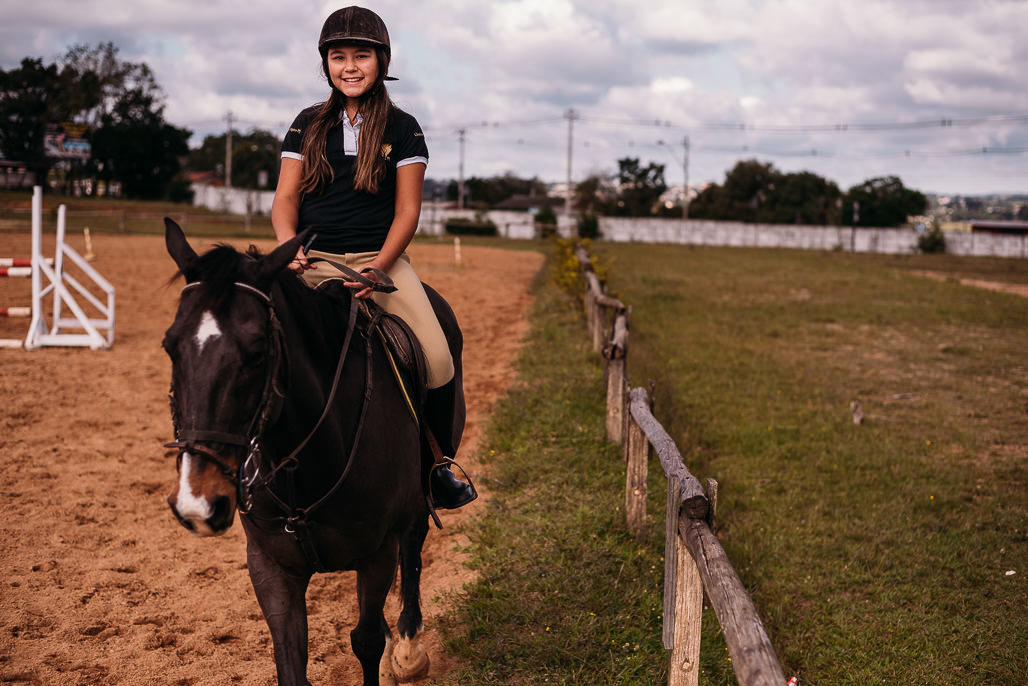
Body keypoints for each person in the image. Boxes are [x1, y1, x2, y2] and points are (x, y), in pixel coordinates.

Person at [271, 5, 475, 511]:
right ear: (326, 64)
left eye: (361, 55)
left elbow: (407, 211)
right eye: (338, 56)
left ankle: (437, 467)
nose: (350, 66)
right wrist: (289, 247)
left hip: (380, 260)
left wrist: (380, 267)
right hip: (311, 259)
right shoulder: (305, 124)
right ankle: (258, 462)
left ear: (382, 60)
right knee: (264, 346)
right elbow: (286, 198)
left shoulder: (404, 128)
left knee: (438, 358)